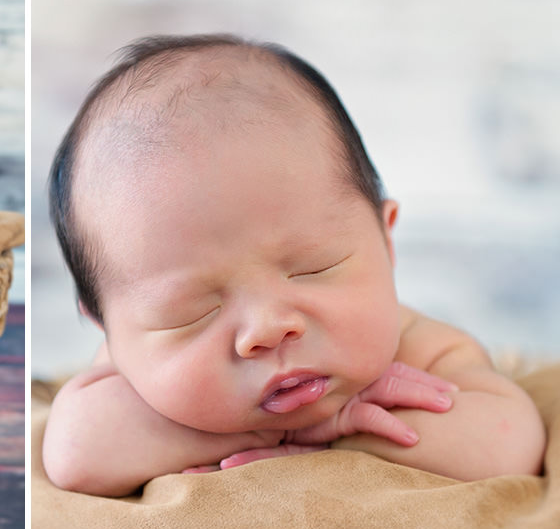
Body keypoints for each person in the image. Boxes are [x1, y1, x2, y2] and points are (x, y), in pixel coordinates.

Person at [41, 34, 546, 497]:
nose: (269, 328)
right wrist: (280, 429)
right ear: (105, 326)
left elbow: (506, 444)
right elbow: (74, 455)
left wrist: (350, 429)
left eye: (313, 268)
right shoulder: (122, 380)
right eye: (191, 311)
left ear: (386, 241)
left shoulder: (426, 350)